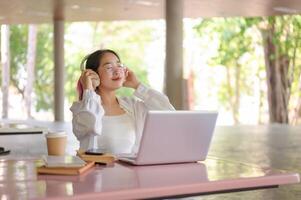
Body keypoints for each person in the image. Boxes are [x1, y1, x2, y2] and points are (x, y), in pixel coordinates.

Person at [70, 49, 175, 155]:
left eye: (119, 65)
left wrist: (138, 86)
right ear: (94, 74)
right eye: (109, 67)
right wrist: (89, 89)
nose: (117, 71)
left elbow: (169, 113)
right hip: (97, 171)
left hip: (131, 171)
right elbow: (90, 126)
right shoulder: (82, 109)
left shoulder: (132, 106)